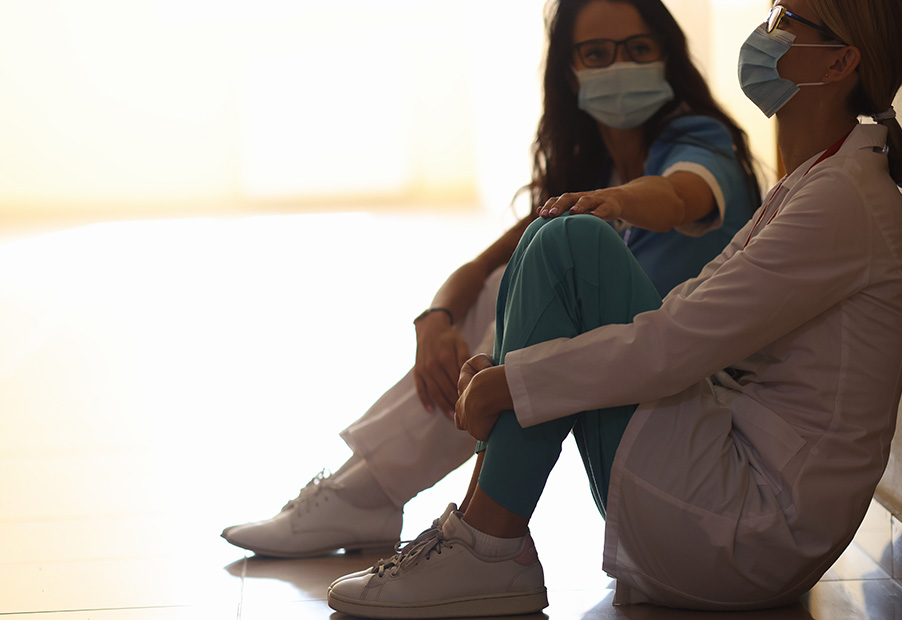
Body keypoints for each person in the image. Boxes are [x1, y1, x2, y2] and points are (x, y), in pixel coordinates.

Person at [325, 0, 902, 616]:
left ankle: (484, 541)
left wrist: (514, 383)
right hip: (726, 499)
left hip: (750, 531)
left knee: (571, 240)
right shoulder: (819, 182)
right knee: (556, 236)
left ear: (839, 60)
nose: (763, 32)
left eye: (785, 16)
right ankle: (477, 534)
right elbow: (689, 313)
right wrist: (506, 369)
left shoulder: (840, 200)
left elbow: (676, 339)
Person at [221, 0, 761, 558]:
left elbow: (678, 195)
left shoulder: (700, 140)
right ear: (569, 70)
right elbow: (479, 269)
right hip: (624, 387)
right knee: (505, 279)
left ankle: (375, 498)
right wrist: (434, 321)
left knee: (535, 293)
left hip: (691, 407)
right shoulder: (593, 172)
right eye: (597, 53)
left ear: (667, 56)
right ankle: (364, 492)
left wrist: (616, 202)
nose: (619, 66)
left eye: (639, 49)